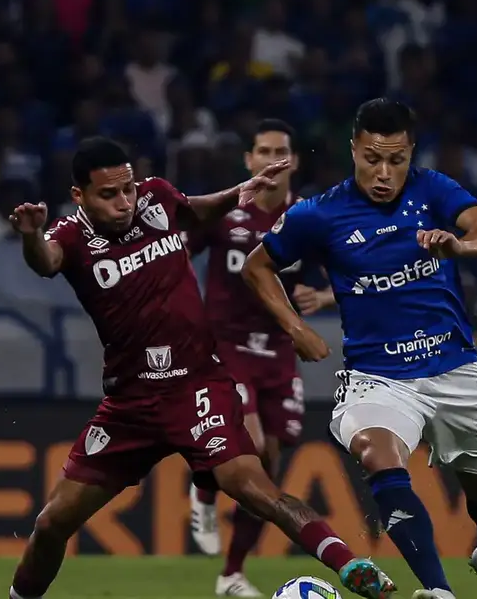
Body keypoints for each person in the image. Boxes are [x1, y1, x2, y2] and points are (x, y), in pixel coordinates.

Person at [6, 137, 395, 599]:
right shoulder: (70, 237)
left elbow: (193, 209)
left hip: (196, 388)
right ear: (80, 197)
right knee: (51, 523)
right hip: (129, 405)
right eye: (108, 195)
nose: (124, 201)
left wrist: (236, 194)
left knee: (257, 490)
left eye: (127, 188)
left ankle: (350, 566)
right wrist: (31, 234)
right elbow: (45, 261)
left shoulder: (155, 198)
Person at [242, 98, 477, 599]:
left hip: (452, 367)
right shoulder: (320, 213)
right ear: (354, 150)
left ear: (412, 153)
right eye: (372, 158)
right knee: (376, 453)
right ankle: (438, 591)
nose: (385, 173)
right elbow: (256, 266)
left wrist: (459, 246)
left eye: (397, 159)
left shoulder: (433, 190)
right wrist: (294, 327)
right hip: (378, 376)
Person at [186, 119, 335, 597]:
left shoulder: (306, 218)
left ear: (293, 162)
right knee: (246, 444)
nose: (272, 160)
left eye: (281, 151)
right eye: (263, 150)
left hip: (277, 352)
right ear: (249, 161)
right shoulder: (227, 213)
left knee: (269, 464)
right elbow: (175, 255)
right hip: (224, 346)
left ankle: (231, 573)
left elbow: (350, 265)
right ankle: (205, 491)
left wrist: (326, 297)